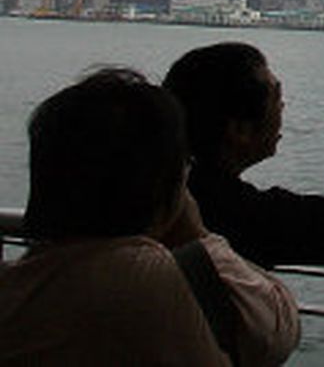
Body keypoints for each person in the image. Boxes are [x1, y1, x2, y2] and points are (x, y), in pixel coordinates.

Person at [0, 68, 299, 366]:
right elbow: (277, 332)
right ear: (165, 183)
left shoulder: (16, 284)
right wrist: (194, 232)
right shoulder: (144, 280)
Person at [163, 41, 324, 267]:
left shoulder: (147, 190)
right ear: (240, 129)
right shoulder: (248, 215)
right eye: (276, 97)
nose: (282, 106)